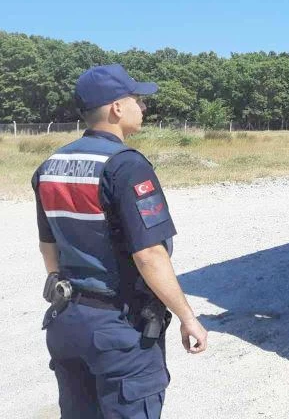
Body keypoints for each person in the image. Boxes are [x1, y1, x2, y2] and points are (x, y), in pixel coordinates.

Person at [33, 64, 207, 418]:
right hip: (117, 328)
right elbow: (149, 255)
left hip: (67, 319)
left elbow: (47, 245)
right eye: (137, 99)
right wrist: (187, 316)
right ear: (116, 108)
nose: (142, 108)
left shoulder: (51, 165)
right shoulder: (126, 166)